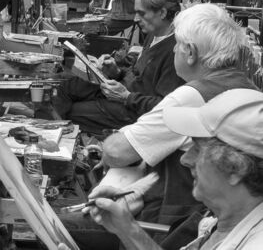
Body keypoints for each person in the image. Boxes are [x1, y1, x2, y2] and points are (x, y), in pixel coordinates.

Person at [61, 4, 257, 250]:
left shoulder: (192, 96)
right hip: (196, 218)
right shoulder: (248, 90)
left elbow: (118, 152)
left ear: (191, 52)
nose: (188, 159)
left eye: (176, 44)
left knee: (54, 225)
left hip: (172, 221)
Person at [87, 88, 263, 250]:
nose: (185, 159)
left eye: (197, 149)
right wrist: (126, 227)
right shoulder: (223, 221)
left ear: (235, 169)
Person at [51, 0, 183, 134]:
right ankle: (50, 132)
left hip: (133, 109)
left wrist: (126, 97)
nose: (135, 19)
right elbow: (138, 74)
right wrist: (116, 72)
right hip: (123, 91)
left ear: (162, 13)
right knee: (66, 84)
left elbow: (164, 107)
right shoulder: (153, 33)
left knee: (74, 111)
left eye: (142, 13)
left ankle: (55, 139)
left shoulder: (175, 51)